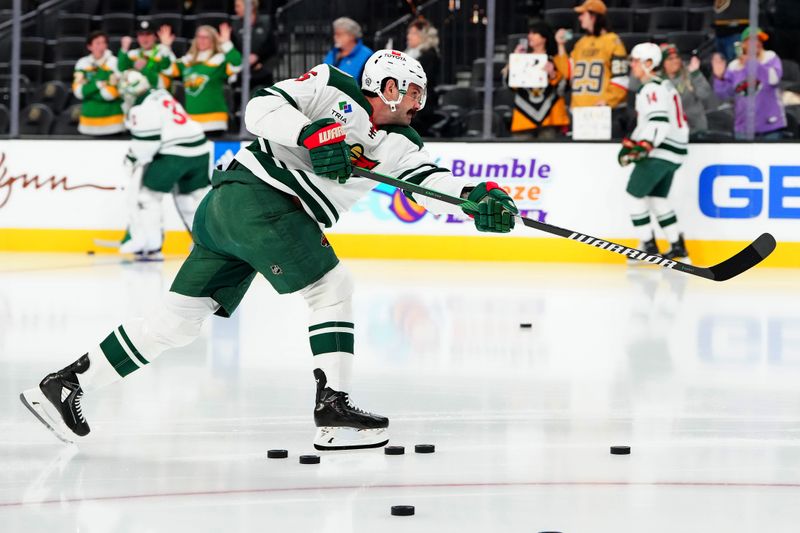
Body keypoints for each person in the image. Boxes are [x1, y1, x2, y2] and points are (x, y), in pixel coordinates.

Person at [19, 50, 519, 451]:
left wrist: (474, 199)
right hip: (258, 198)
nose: (420, 102)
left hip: (227, 214)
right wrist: (310, 133)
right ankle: (334, 408)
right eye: (414, 91)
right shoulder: (330, 85)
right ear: (389, 86)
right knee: (331, 288)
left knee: (175, 324)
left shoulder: (401, 142)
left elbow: (428, 180)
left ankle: (67, 385)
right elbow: (260, 107)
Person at [117, 70, 211, 260]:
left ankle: (152, 247)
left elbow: (147, 145)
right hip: (200, 148)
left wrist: (131, 159)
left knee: (148, 197)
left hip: (174, 154)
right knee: (191, 199)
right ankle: (208, 246)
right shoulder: (161, 93)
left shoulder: (141, 107)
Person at [617, 43, 690, 262]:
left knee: (634, 194)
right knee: (658, 199)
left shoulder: (651, 89)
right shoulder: (664, 86)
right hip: (675, 152)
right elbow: (653, 121)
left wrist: (643, 146)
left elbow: (659, 121)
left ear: (649, 64)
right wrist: (633, 141)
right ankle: (677, 246)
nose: (632, 65)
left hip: (660, 150)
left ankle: (647, 244)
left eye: (636, 61)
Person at [711, 27, 786, 140]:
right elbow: (724, 94)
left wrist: (753, 63)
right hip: (743, 128)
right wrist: (719, 78)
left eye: (759, 40)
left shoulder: (770, 57)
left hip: (770, 125)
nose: (757, 44)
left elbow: (774, 80)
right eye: (753, 40)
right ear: (744, 44)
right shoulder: (734, 66)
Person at [555, 0, 629, 110]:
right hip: (578, 111)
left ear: (594, 16)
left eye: (583, 14)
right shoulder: (581, 43)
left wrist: (607, 100)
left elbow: (621, 79)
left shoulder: (613, 41)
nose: (580, 18)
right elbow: (568, 73)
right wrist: (560, 45)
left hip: (602, 111)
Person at [171, 24, 242, 134]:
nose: (201, 40)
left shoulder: (219, 59)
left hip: (214, 121)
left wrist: (227, 44)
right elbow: (168, 69)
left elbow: (237, 65)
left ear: (213, 40)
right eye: (199, 37)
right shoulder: (188, 61)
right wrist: (165, 47)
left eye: (206, 37)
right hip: (191, 121)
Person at [507, 21, 569, 139]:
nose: (530, 36)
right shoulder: (522, 58)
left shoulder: (554, 60)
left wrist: (552, 74)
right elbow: (510, 85)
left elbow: (564, 88)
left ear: (544, 38)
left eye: (535, 33)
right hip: (523, 117)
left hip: (549, 120)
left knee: (548, 155)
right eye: (530, 33)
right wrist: (515, 62)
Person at [73, 31, 124, 136]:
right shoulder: (82, 64)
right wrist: (99, 85)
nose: (101, 46)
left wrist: (89, 90)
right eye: (97, 43)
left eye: (104, 43)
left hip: (113, 123)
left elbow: (110, 94)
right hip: (88, 124)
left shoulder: (114, 63)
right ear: (89, 46)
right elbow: (79, 92)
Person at [660, 43, 714, 138]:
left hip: (695, 130)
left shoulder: (690, 73)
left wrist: (696, 74)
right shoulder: (659, 81)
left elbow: (705, 94)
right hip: (670, 132)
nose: (675, 61)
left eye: (677, 57)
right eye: (670, 59)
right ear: (663, 63)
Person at [404, 17, 440, 136]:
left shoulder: (429, 55)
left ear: (423, 36)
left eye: (413, 33)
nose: (409, 36)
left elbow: (423, 79)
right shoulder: (408, 54)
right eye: (409, 32)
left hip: (423, 102)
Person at [231, 0, 278, 91]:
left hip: (263, 71)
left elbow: (272, 46)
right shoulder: (235, 25)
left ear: (250, 7)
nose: (235, 9)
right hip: (242, 70)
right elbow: (234, 48)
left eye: (238, 6)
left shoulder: (266, 22)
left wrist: (257, 58)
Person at [118, 20, 176, 91]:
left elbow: (164, 83)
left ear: (155, 37)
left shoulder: (164, 52)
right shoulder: (133, 54)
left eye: (148, 34)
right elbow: (121, 70)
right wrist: (124, 49)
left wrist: (143, 69)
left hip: (159, 96)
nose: (144, 38)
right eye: (141, 34)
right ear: (137, 38)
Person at [322, 17, 373, 81]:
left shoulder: (367, 55)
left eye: (339, 34)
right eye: (335, 34)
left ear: (352, 36)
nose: (335, 37)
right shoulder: (333, 52)